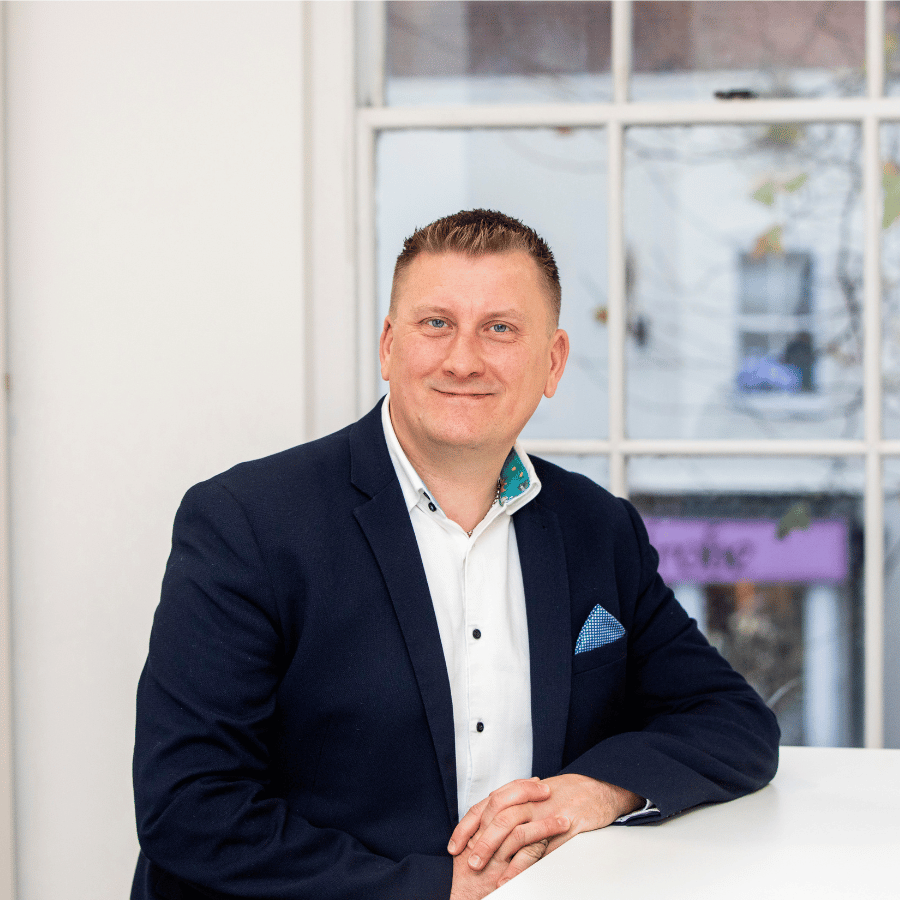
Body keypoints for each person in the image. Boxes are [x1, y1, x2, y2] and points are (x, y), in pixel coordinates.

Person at [132, 209, 780, 900]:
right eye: (436, 323)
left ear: (553, 361)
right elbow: (190, 808)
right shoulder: (247, 523)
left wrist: (596, 790)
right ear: (389, 346)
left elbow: (731, 721)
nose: (463, 359)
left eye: (500, 329)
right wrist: (438, 889)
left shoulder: (599, 529)